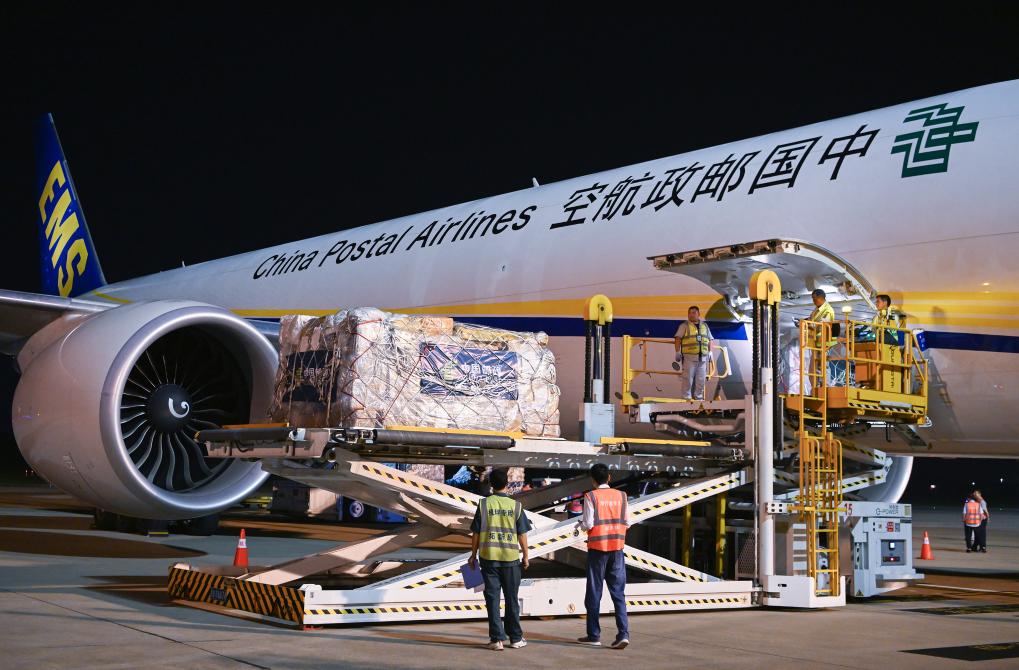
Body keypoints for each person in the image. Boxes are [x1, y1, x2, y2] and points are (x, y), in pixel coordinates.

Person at [469, 468, 531, 650]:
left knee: (492, 600)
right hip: (511, 560)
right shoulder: (516, 506)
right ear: (507, 484)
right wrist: (526, 555)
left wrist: (472, 555)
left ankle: (497, 640)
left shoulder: (483, 505)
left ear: (491, 484)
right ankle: (516, 638)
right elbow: (522, 534)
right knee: (512, 599)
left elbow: (476, 533)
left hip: (488, 559)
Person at [576, 463, 630, 650]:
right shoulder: (622, 496)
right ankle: (623, 634)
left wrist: (581, 525)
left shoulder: (591, 496)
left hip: (598, 550)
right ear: (609, 477)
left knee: (594, 593)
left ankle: (594, 635)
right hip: (617, 549)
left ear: (593, 480)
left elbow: (588, 524)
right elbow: (627, 523)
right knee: (618, 594)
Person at [674, 305, 714, 400]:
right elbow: (678, 338)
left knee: (701, 380)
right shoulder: (684, 326)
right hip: (689, 358)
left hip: (703, 358)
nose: (691, 315)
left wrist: (710, 352)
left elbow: (710, 339)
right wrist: (677, 351)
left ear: (698, 314)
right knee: (687, 379)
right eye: (689, 313)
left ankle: (699, 398)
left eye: (693, 313)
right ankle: (686, 398)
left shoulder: (705, 326)